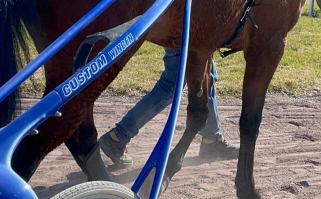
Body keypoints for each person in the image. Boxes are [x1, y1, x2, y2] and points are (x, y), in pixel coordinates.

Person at [98, 48, 238, 166]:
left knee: (206, 76)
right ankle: (118, 135)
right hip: (187, 29)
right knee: (172, 84)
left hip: (190, 31)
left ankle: (211, 139)